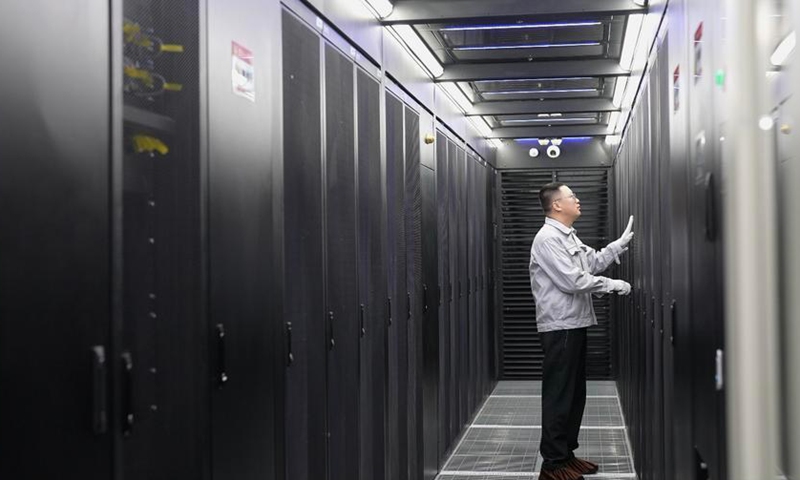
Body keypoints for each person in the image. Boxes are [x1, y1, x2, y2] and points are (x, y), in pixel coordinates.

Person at [529, 182, 634, 480]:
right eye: (572, 196)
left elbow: (592, 262)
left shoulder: (567, 235)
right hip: (559, 325)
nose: (577, 200)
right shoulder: (547, 239)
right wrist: (613, 285)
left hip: (574, 322)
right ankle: (552, 464)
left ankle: (566, 455)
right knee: (559, 394)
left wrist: (617, 245)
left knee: (574, 394)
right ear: (557, 205)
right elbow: (572, 280)